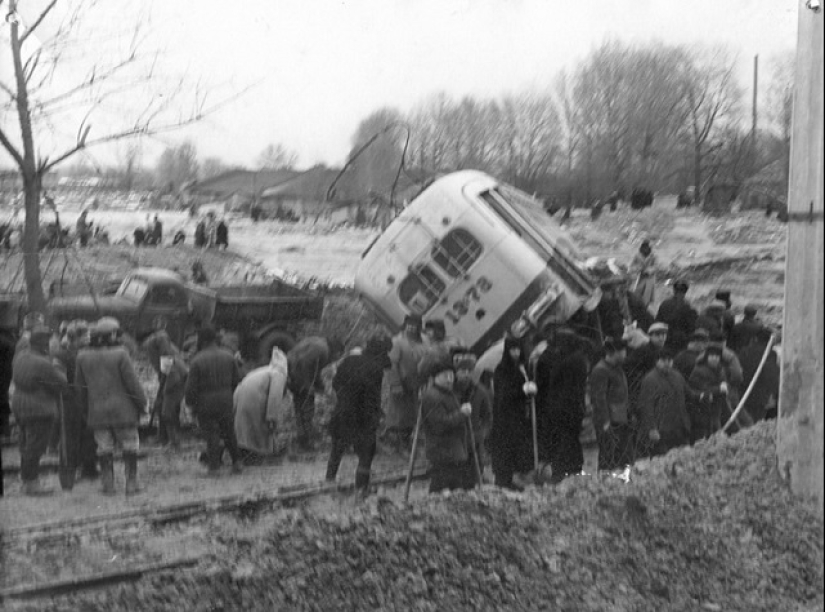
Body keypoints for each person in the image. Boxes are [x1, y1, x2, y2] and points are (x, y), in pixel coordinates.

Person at [75, 318, 147, 495]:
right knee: (130, 445)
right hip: (124, 412)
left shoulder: (82, 356)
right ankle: (131, 483)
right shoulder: (121, 354)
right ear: (111, 335)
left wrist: (86, 411)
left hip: (97, 413)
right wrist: (142, 403)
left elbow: (80, 389)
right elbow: (133, 384)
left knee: (104, 448)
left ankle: (108, 485)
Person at [326, 335, 393, 496]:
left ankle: (328, 481)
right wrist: (376, 417)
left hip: (342, 412)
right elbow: (372, 398)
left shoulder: (349, 360)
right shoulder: (376, 370)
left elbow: (335, 384)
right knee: (366, 454)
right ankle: (361, 489)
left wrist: (345, 399)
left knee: (337, 449)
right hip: (362, 418)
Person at [12, 324, 68, 495]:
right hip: (39, 408)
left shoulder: (21, 356)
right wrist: (58, 368)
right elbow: (61, 384)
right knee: (35, 447)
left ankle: (26, 480)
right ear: (44, 344)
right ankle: (31, 483)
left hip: (20, 405)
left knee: (25, 445)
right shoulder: (42, 363)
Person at [184, 326, 244, 475]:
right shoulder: (229, 356)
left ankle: (214, 468)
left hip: (205, 403)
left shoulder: (196, 360)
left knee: (211, 434)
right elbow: (238, 380)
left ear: (202, 340)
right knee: (229, 432)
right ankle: (237, 463)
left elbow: (190, 388)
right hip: (226, 401)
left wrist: (191, 405)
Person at [534, 328, 590, 483]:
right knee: (569, 443)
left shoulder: (560, 359)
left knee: (561, 444)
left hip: (559, 410)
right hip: (569, 410)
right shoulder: (575, 358)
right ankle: (571, 473)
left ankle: (562, 474)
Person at [51, 321, 99, 481]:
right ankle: (71, 470)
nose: (88, 340)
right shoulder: (62, 354)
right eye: (84, 337)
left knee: (90, 435)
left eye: (88, 337)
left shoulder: (88, 352)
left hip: (88, 399)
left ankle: (89, 468)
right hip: (70, 401)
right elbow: (59, 378)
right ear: (74, 338)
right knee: (70, 437)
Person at [637, 347, 702, 458]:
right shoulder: (649, 380)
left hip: (679, 427)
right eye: (663, 360)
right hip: (661, 430)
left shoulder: (677, 375)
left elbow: (689, 394)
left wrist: (704, 395)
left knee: (684, 459)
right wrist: (652, 428)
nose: (667, 363)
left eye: (669, 360)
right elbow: (646, 407)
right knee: (664, 461)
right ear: (657, 361)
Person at [421, 358, 474, 493]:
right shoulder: (432, 396)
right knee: (442, 488)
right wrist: (461, 413)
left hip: (452, 450)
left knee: (451, 488)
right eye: (445, 376)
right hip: (442, 450)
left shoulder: (448, 393)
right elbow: (439, 424)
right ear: (435, 377)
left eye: (451, 375)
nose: (450, 379)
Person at [489, 337, 535, 490]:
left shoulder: (523, 367)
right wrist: (522, 391)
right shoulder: (502, 370)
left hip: (521, 416)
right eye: (512, 350)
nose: (515, 353)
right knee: (508, 451)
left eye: (518, 349)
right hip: (506, 419)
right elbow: (503, 395)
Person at [234, 347, 289, 464]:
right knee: (259, 432)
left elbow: (239, 387)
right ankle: (258, 457)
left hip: (241, 399)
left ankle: (245, 456)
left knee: (245, 432)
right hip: (253, 401)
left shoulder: (263, 371)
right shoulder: (279, 374)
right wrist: (272, 417)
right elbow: (275, 396)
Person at [286, 336, 343, 452]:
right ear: (337, 351)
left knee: (299, 409)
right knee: (307, 409)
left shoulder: (320, 344)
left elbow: (314, 371)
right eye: (339, 356)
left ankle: (302, 440)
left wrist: (322, 388)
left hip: (293, 373)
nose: (336, 360)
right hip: (297, 374)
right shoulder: (322, 349)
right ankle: (306, 442)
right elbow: (305, 363)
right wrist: (308, 386)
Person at [385, 314, 428, 454]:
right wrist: (395, 383)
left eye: (414, 325)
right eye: (409, 324)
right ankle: (395, 445)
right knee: (398, 415)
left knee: (413, 415)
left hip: (418, 383)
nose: (411, 328)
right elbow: (391, 364)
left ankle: (408, 442)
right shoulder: (397, 341)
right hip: (401, 382)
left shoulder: (425, 341)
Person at [589, 338, 632, 472]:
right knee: (609, 459)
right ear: (613, 352)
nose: (625, 354)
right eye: (623, 351)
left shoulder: (617, 368)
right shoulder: (601, 370)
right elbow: (598, 398)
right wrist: (605, 422)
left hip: (620, 419)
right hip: (610, 422)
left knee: (622, 457)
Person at [452, 348, 492, 485]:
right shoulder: (448, 391)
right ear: (456, 373)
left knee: (474, 474)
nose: (466, 375)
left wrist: (482, 434)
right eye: (462, 371)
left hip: (473, 438)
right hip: (452, 438)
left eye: (469, 371)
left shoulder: (480, 391)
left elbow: (487, 417)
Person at [142, 317, 180, 445]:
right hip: (170, 376)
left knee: (165, 409)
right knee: (162, 406)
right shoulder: (155, 341)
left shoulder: (158, 338)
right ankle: (163, 436)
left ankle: (171, 441)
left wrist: (164, 376)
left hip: (173, 376)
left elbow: (166, 355)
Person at [688, 344, 730, 442]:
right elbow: (700, 388)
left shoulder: (721, 370)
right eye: (712, 356)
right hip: (702, 409)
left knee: (716, 431)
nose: (714, 359)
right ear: (707, 357)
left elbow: (725, 385)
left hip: (717, 408)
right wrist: (719, 389)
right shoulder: (698, 371)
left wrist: (725, 388)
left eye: (717, 356)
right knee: (703, 436)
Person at [737, 327, 780, 423]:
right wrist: (774, 394)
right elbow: (772, 376)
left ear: (755, 338)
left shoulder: (744, 351)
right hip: (761, 396)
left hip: (744, 392)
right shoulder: (770, 354)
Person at [655, 280, 697, 351]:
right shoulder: (688, 306)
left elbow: (658, 321)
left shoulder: (664, 303)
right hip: (682, 340)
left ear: (674, 291)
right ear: (686, 291)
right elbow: (692, 326)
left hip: (666, 338)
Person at [160, 349, 188, 451]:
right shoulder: (175, 358)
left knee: (167, 416)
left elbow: (173, 378)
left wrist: (164, 389)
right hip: (179, 391)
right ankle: (175, 441)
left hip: (172, 393)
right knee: (173, 417)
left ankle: (174, 442)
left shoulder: (166, 359)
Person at [631, 240, 656, 308]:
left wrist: (649, 270)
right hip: (640, 278)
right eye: (644, 247)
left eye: (647, 247)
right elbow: (632, 266)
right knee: (637, 295)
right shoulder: (637, 256)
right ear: (642, 247)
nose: (646, 249)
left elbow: (655, 266)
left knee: (647, 298)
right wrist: (638, 268)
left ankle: (645, 309)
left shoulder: (653, 256)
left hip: (649, 279)